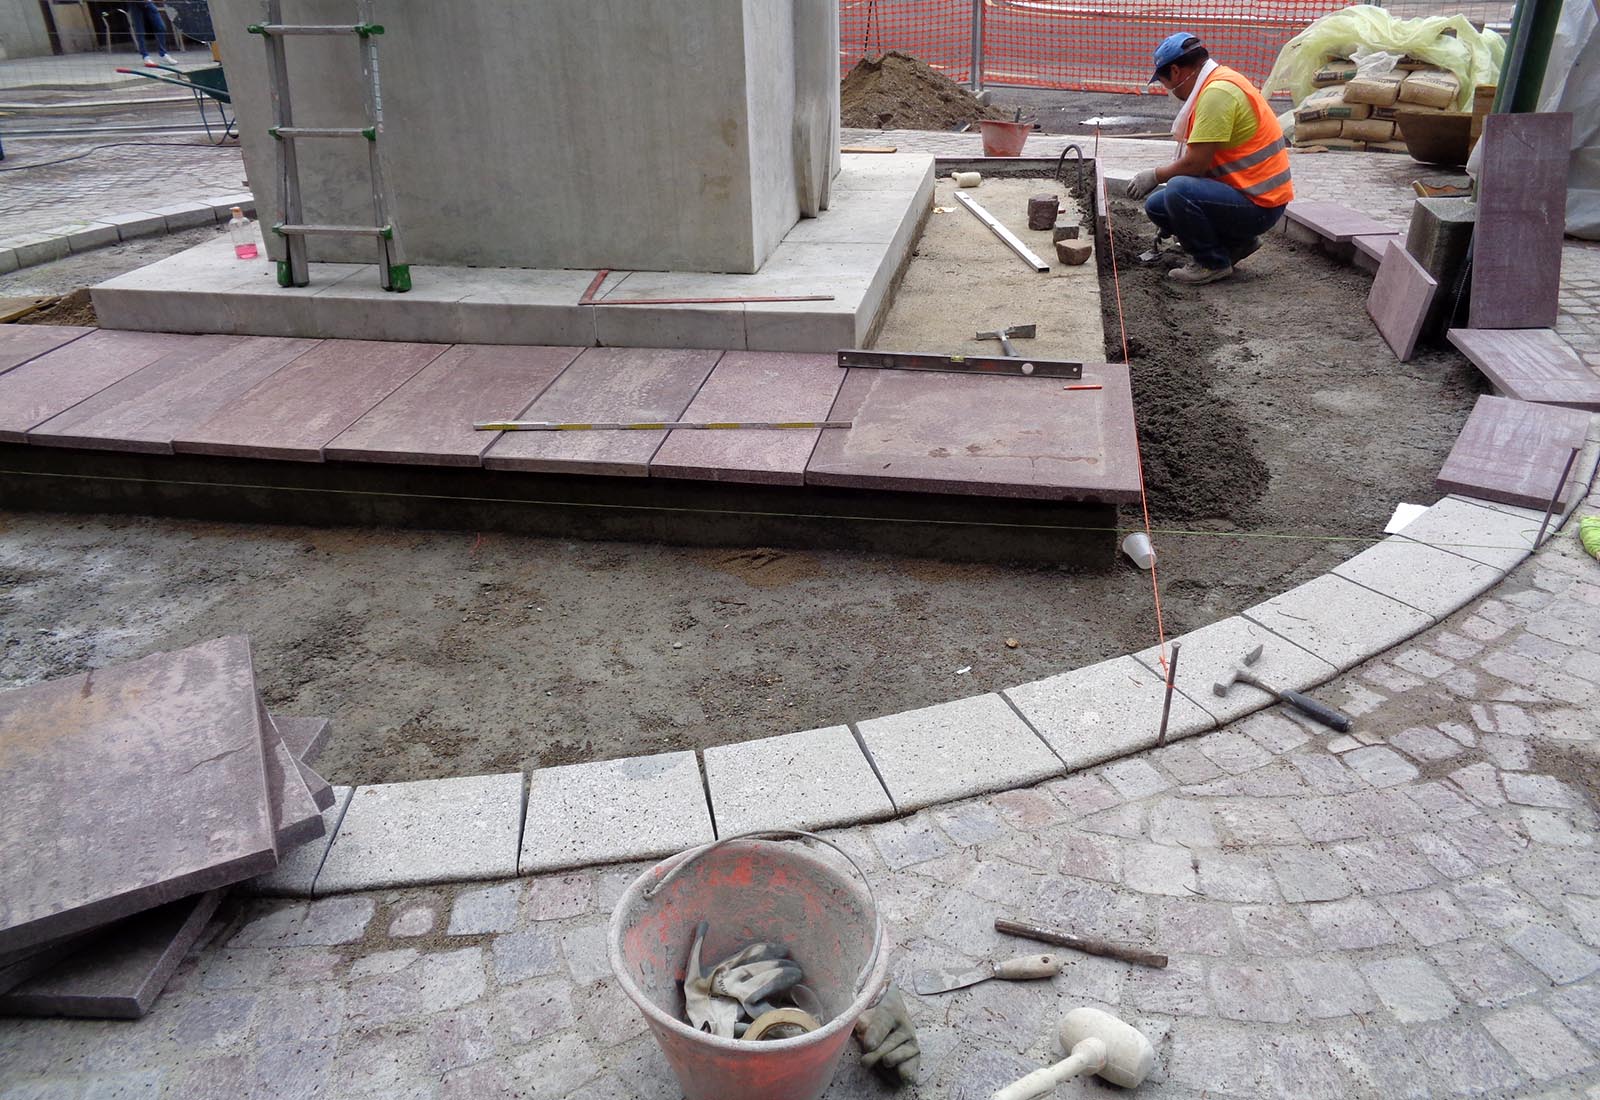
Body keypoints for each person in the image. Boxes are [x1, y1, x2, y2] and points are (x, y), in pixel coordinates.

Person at [1124, 33, 1293, 286]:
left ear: (1176, 71)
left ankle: (1211, 263)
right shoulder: (1215, 82)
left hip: (1260, 205)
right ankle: (1237, 243)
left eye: (1164, 82)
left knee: (1178, 191)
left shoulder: (1216, 94)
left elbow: (1196, 165)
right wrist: (1178, 218)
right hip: (1247, 193)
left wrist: (1155, 175)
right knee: (1159, 205)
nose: (1168, 90)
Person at [127, 1, 177, 67]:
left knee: (160, 27)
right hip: (135, 3)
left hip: (148, 3)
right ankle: (145, 56)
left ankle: (163, 54)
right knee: (140, 30)